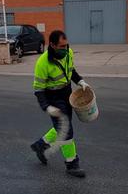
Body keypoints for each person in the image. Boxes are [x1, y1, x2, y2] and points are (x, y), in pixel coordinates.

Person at [31, 30, 89, 178]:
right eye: (61, 46)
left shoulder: (68, 52)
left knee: (63, 125)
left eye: (66, 45)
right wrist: (46, 106)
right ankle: (72, 164)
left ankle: (40, 145)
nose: (65, 49)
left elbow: (71, 70)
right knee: (67, 130)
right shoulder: (43, 63)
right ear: (52, 45)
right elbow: (38, 89)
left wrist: (80, 81)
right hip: (53, 98)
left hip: (67, 94)